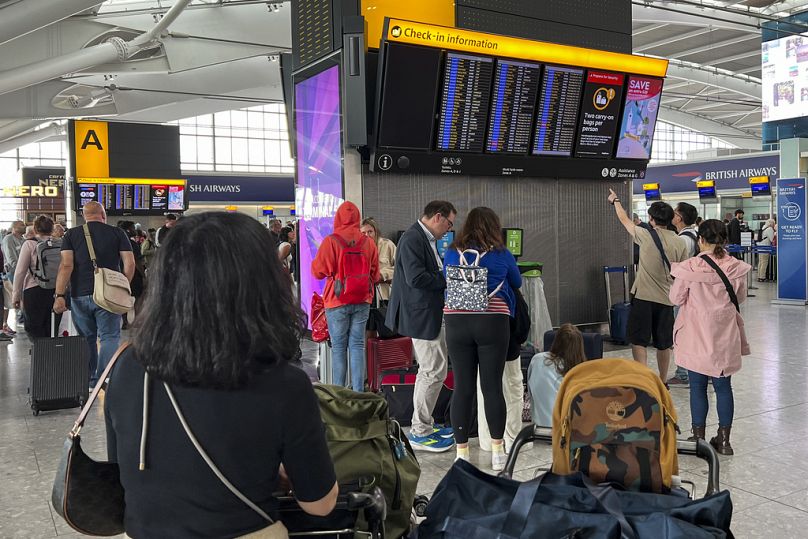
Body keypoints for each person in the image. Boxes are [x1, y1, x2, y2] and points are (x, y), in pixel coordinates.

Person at [104, 212, 338, 537]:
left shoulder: (127, 366)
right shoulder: (283, 384)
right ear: (263, 283)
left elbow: (128, 472)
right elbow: (319, 504)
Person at [443, 207, 522, 470]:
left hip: (456, 322)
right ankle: (498, 452)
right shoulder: (501, 254)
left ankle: (462, 453)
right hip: (492, 321)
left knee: (463, 387)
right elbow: (517, 282)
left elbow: (446, 279)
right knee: (492, 387)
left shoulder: (452, 252)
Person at [670, 219, 751, 455]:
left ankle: (698, 437)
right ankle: (724, 441)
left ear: (701, 240)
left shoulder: (690, 268)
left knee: (697, 387)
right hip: (724, 334)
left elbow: (676, 298)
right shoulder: (736, 268)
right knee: (723, 387)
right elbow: (740, 297)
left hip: (695, 334)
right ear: (724, 240)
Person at [386, 201, 457, 453]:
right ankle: (420, 431)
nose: (448, 230)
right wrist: (447, 277)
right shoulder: (413, 238)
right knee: (432, 371)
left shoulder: (422, 238)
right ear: (438, 217)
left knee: (431, 370)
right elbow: (415, 277)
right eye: (449, 224)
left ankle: (424, 424)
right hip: (422, 316)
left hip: (427, 313)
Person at [608, 189, 688, 383]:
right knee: (663, 343)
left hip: (643, 297)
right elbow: (682, 273)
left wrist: (615, 200)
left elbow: (624, 219)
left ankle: (643, 379)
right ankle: (662, 380)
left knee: (639, 340)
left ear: (651, 219)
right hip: (667, 299)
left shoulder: (644, 235)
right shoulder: (680, 242)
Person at [53, 202, 135, 387]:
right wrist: (123, 286)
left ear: (83, 216)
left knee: (86, 338)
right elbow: (130, 264)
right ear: (103, 215)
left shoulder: (71, 234)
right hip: (109, 295)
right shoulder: (117, 233)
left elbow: (66, 265)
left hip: (80, 294)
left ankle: (90, 379)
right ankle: (103, 378)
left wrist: (59, 295)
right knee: (109, 337)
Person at [311, 201, 380, 392]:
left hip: (336, 300)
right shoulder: (368, 242)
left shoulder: (331, 241)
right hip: (362, 300)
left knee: (339, 347)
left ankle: (339, 395)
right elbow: (375, 275)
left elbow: (317, 272)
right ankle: (358, 392)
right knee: (357, 345)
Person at [527, 323, 588, 427]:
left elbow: (530, 392)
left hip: (539, 428)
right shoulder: (580, 373)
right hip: (565, 431)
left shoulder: (537, 360)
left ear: (556, 341)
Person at [12, 216, 61, 339]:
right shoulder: (59, 243)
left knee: (34, 328)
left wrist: (16, 295)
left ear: (35, 229)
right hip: (56, 290)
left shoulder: (29, 244)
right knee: (52, 327)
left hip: (33, 290)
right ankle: (51, 350)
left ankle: (39, 351)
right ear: (52, 228)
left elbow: (20, 271)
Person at [667, 202, 699, 388]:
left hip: (683, 292)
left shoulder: (683, 240)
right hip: (694, 292)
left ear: (679, 218)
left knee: (681, 332)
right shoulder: (694, 235)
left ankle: (683, 372)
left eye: (674, 213)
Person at [118, 221, 146, 329]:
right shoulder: (132, 244)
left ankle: (125, 321)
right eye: (133, 228)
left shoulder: (115, 242)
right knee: (138, 297)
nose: (135, 230)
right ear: (128, 230)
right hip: (134, 274)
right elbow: (137, 261)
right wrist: (143, 275)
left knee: (122, 297)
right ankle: (136, 321)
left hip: (119, 273)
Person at [361, 217, 397, 301]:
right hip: (364, 298)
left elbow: (401, 268)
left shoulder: (388, 245)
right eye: (363, 233)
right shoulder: (356, 250)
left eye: (370, 232)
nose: (367, 235)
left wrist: (382, 275)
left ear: (376, 232)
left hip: (385, 297)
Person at [2, 220, 26, 329]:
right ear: (14, 227)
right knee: (17, 295)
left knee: (24, 295)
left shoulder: (23, 240)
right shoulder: (8, 239)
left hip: (23, 272)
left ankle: (23, 317)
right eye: (21, 225)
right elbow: (11, 258)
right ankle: (20, 318)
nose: (24, 226)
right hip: (13, 272)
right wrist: (20, 270)